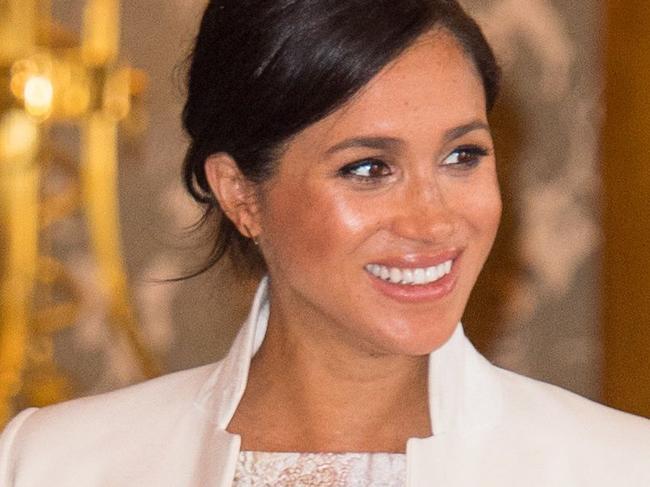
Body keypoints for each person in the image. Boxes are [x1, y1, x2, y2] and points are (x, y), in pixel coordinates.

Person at [1, 0, 649, 485]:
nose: (433, 220)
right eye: (368, 168)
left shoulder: (614, 466)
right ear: (239, 193)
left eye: (462, 155)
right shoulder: (55, 462)